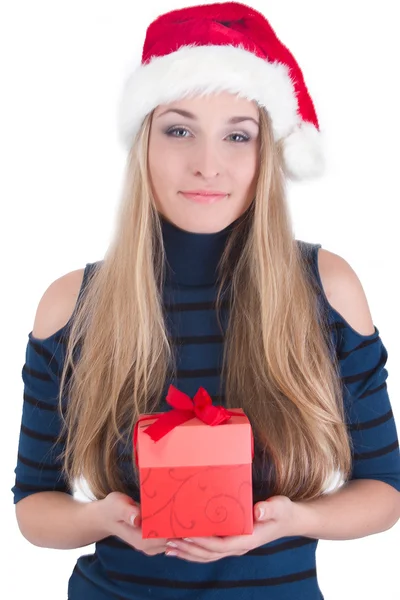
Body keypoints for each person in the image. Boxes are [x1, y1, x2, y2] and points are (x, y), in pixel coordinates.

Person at [12, 2, 400, 599]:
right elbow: (33, 507)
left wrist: (298, 521)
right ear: (144, 142)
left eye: (237, 135)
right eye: (179, 129)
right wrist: (103, 518)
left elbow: (386, 490)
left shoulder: (326, 288)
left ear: (266, 154)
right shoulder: (73, 303)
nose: (207, 165)